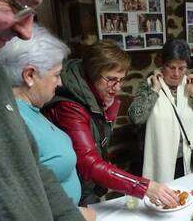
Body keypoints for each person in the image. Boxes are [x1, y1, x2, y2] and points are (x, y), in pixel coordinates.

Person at [0, 0, 85, 220]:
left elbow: (33, 170)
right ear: (29, 75)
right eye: (17, 6)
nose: (26, 32)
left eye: (31, 12)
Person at [43, 40, 179, 207]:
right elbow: (88, 163)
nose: (117, 87)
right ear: (93, 74)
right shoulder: (70, 106)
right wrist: (145, 187)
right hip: (71, 191)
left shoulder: (94, 93)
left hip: (86, 185)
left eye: (121, 80)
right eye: (111, 80)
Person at [0, 25, 95, 220]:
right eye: (56, 74)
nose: (60, 83)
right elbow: (21, 199)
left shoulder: (33, 109)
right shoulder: (14, 121)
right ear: (30, 75)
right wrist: (75, 215)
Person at [128, 39, 193, 182]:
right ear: (162, 64)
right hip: (159, 159)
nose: (176, 74)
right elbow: (136, 118)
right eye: (171, 67)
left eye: (182, 68)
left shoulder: (188, 85)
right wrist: (154, 91)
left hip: (186, 160)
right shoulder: (150, 85)